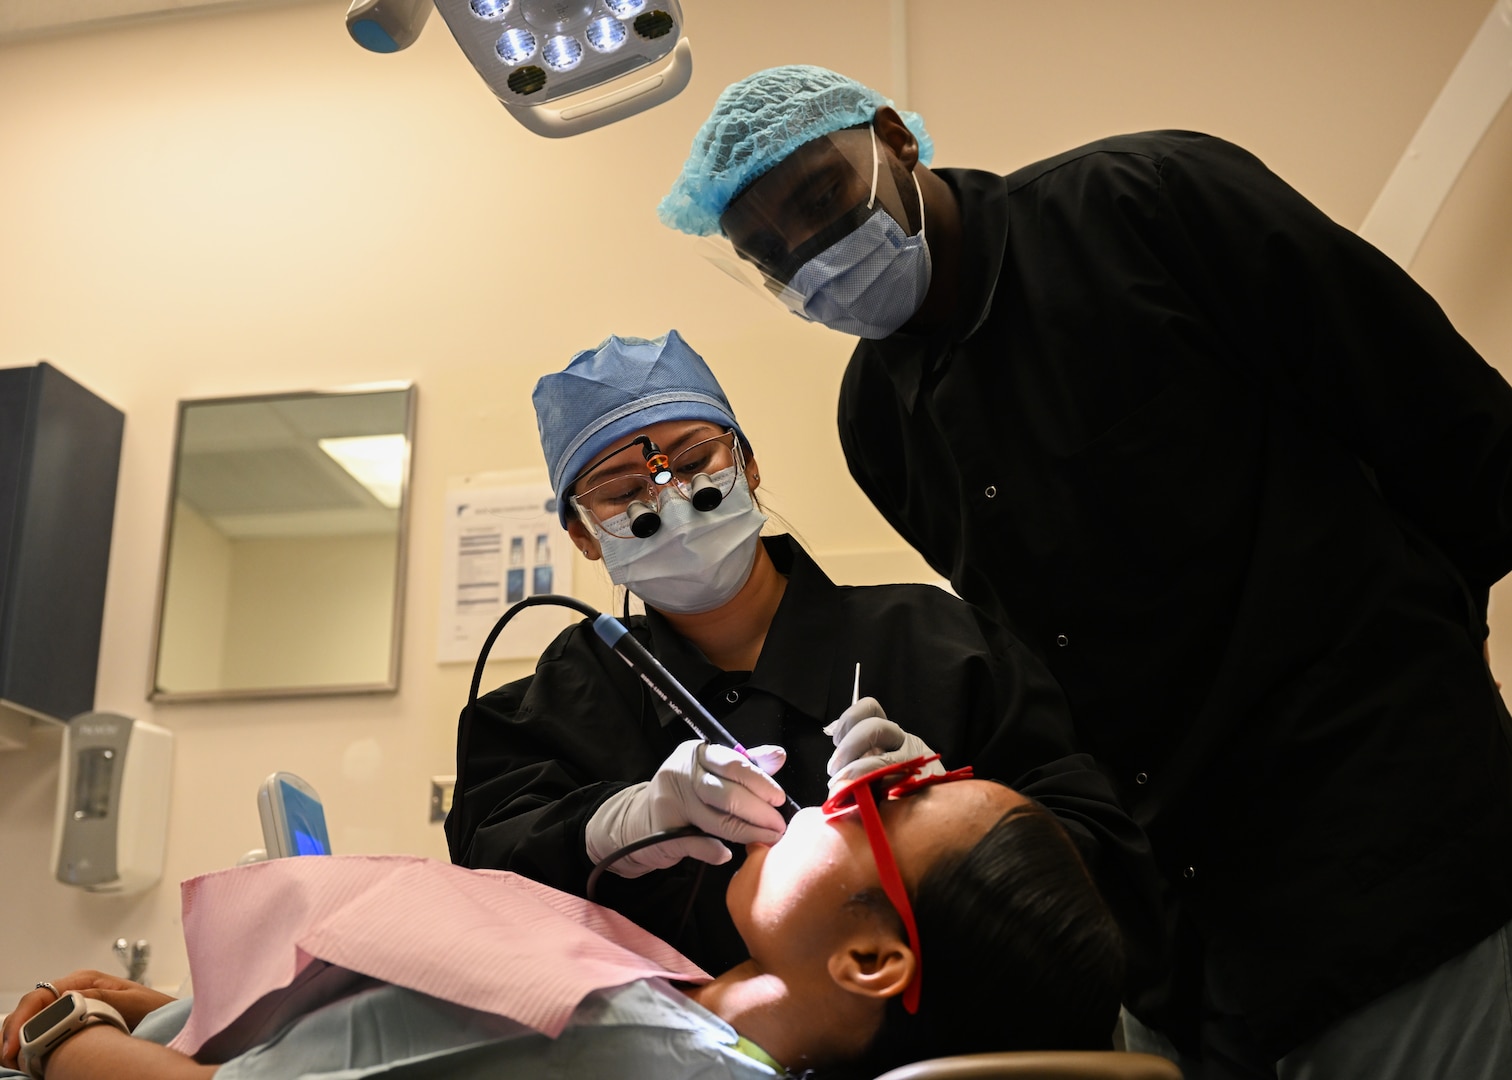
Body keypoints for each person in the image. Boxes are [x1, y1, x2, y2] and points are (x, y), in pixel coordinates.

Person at [657, 64, 1512, 1079]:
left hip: (1398, 865)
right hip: (1183, 940)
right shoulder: (878, 421)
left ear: (892, 137)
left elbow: (1464, 448)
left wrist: (1395, 674)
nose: (813, 256)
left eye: (822, 202)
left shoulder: (1145, 205)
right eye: (771, 253)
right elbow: (1048, 659)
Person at [444, 329, 1161, 993]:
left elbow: (1107, 864)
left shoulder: (938, 645)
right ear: (582, 536)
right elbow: (483, 906)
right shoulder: (549, 713)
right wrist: (613, 828)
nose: (672, 498)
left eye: (694, 462)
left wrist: (959, 821)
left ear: (748, 463)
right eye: (623, 492)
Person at [0, 766, 1127, 1080]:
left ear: (874, 957)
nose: (837, 790)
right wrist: (189, 1015)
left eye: (878, 806)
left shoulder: (625, 1037)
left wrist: (61, 1039)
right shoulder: (676, 1015)